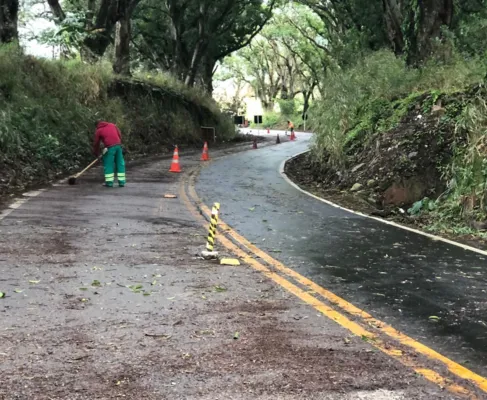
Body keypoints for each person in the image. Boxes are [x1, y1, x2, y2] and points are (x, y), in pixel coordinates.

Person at [93, 120, 126, 187]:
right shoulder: (112, 125)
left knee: (108, 164)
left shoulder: (99, 130)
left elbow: (96, 143)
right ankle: (122, 182)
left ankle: (109, 182)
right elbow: (119, 134)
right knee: (120, 163)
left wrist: (96, 153)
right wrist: (118, 143)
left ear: (97, 126)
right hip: (118, 146)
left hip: (110, 147)